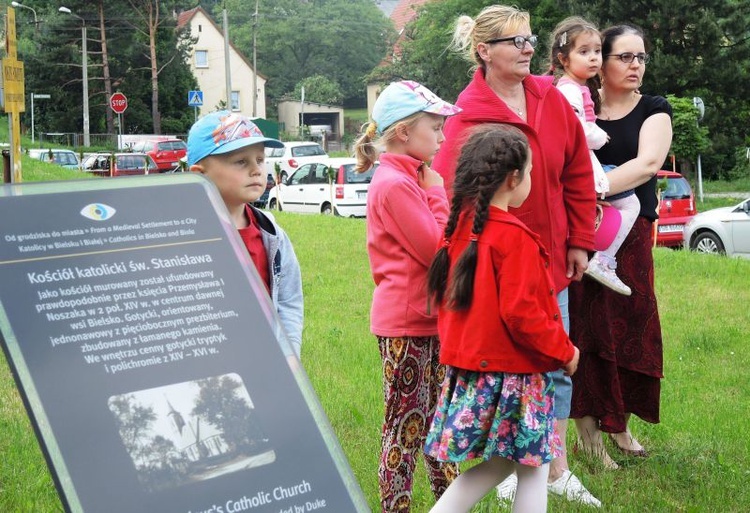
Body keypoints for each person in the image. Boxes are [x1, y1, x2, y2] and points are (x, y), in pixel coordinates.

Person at [431, 5, 600, 507]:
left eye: (531, 39)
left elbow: (577, 173)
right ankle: (519, 467)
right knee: (525, 368)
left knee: (549, 373)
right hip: (498, 268)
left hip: (551, 261)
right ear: (484, 52)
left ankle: (555, 467)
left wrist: (578, 241)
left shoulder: (550, 98)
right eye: (516, 42)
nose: (530, 49)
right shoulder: (463, 116)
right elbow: (450, 199)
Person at [424, 124, 580, 513]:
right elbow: (523, 314)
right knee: (533, 468)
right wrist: (565, 352)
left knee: (501, 465)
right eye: (528, 172)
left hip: (474, 370)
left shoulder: (458, 231)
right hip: (515, 375)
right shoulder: (515, 238)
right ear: (514, 178)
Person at [354, 80, 461, 512]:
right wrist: (437, 192)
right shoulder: (397, 184)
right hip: (407, 326)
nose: (442, 137)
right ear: (403, 132)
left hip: (430, 321)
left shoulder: (411, 177)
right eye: (434, 128)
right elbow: (439, 251)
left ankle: (449, 504)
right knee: (405, 428)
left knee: (440, 427)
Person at [569, 24, 673, 469]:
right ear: (601, 63)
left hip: (629, 240)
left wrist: (589, 187)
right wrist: (580, 200)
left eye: (641, 57)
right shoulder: (578, 109)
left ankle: (620, 425)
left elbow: (648, 163)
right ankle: (589, 440)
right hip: (583, 236)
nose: (636, 66)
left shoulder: (654, 108)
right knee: (588, 336)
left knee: (630, 333)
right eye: (625, 57)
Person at [187, 110, 304, 357]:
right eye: (241, 161)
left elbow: (288, 301)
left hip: (264, 361)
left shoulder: (272, 232)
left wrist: (289, 354)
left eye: (260, 160)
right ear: (199, 174)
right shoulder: (188, 237)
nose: (256, 170)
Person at [550, 16, 638, 296]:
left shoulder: (578, 88)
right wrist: (600, 136)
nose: (593, 59)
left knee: (618, 205)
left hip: (585, 161)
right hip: (580, 163)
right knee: (630, 203)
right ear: (564, 59)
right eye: (584, 52)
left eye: (597, 51)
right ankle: (603, 259)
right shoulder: (568, 90)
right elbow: (574, 129)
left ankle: (597, 253)